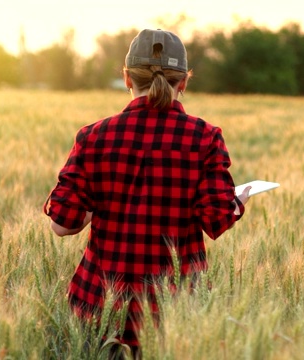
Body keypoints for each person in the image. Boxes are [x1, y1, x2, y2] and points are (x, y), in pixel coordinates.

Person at [43, 28, 251, 359]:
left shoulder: (93, 137)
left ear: (127, 78)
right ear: (183, 82)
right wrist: (237, 203)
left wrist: (109, 196)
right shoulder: (205, 138)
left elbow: (62, 225)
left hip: (99, 308)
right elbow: (216, 221)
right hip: (174, 311)